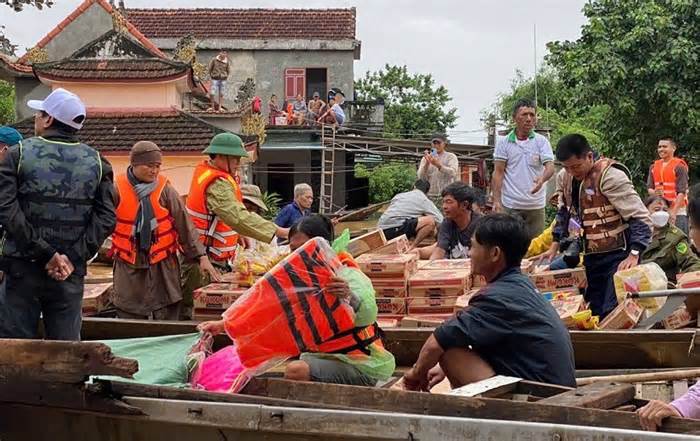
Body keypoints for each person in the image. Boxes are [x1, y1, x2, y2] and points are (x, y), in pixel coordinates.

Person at [198, 214, 396, 386]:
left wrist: (348, 295)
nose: (296, 256)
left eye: (303, 249)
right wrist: (224, 324)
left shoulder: (346, 274)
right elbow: (265, 306)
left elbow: (368, 312)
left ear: (322, 247)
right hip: (322, 357)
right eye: (293, 249)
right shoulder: (298, 278)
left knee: (296, 370)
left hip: (360, 364)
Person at [403, 213, 576, 391]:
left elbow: (437, 342)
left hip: (540, 397)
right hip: (550, 385)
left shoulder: (496, 298)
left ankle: (480, 412)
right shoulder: (520, 285)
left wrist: (416, 373)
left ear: (494, 254)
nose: (469, 253)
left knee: (448, 349)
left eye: (473, 246)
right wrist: (443, 370)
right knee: (455, 341)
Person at [0, 88, 116, 340]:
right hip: (69, 272)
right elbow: (106, 218)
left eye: (39, 114)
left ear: (49, 119)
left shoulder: (18, 155)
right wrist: (70, 258)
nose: (36, 119)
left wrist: (45, 254)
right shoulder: (98, 162)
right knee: (66, 349)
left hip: (22, 269)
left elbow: (6, 210)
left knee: (16, 348)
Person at [541, 134, 652, 318]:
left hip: (619, 255)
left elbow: (639, 217)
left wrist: (635, 253)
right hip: (592, 255)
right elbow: (566, 212)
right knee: (594, 309)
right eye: (567, 167)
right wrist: (555, 243)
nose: (572, 172)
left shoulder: (611, 176)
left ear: (590, 157)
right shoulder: (565, 178)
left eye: (576, 166)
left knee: (614, 308)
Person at [181, 133, 289, 319]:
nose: (239, 163)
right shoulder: (217, 182)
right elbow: (237, 217)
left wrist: (238, 234)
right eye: (236, 159)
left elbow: (219, 217)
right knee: (202, 316)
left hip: (209, 257)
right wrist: (278, 231)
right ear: (222, 157)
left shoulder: (210, 174)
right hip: (204, 261)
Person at [111, 141, 220, 320]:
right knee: (128, 311)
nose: (154, 171)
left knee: (168, 307)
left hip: (162, 263)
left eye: (158, 166)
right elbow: (103, 223)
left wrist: (201, 257)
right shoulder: (116, 189)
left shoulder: (166, 190)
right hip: (128, 263)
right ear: (134, 164)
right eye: (149, 166)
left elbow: (184, 225)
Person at [637, 184, 700, 431]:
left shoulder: (676, 239)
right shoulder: (639, 236)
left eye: (693, 226)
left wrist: (681, 407)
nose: (693, 235)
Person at [491, 99, 555, 239]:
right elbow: (498, 172)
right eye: (524, 114)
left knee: (534, 248)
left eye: (532, 115)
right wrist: (496, 200)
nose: (529, 119)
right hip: (510, 205)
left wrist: (542, 179)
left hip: (535, 206)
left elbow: (550, 167)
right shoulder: (504, 143)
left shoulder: (541, 141)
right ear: (514, 118)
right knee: (509, 245)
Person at [640, 195, 700, 283]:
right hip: (635, 286)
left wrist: (684, 283)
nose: (661, 213)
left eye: (665, 210)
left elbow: (691, 262)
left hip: (664, 289)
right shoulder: (636, 235)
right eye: (656, 209)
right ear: (645, 211)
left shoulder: (675, 237)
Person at [378, 179, 443, 248]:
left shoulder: (399, 196)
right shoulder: (424, 200)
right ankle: (412, 247)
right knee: (430, 221)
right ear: (427, 192)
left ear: (414, 187)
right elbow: (440, 220)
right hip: (395, 229)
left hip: (381, 230)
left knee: (418, 220)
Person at [647, 137, 689, 234]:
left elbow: (681, 192)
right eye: (659, 147)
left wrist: (673, 213)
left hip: (677, 211)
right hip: (659, 210)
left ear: (673, 148)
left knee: (680, 240)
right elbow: (649, 188)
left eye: (665, 146)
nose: (661, 149)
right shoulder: (653, 166)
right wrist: (654, 192)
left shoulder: (679, 166)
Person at [430, 182, 481, 260]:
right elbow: (439, 251)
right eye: (443, 202)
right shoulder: (447, 223)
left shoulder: (481, 225)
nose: (444, 207)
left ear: (464, 205)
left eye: (449, 202)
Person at [417, 134, 459, 198]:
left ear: (444, 144)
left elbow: (453, 173)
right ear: (431, 144)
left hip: (446, 195)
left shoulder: (451, 156)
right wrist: (427, 164)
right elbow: (421, 177)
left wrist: (439, 165)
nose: (436, 145)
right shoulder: (426, 158)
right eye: (434, 143)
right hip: (429, 195)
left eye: (439, 143)